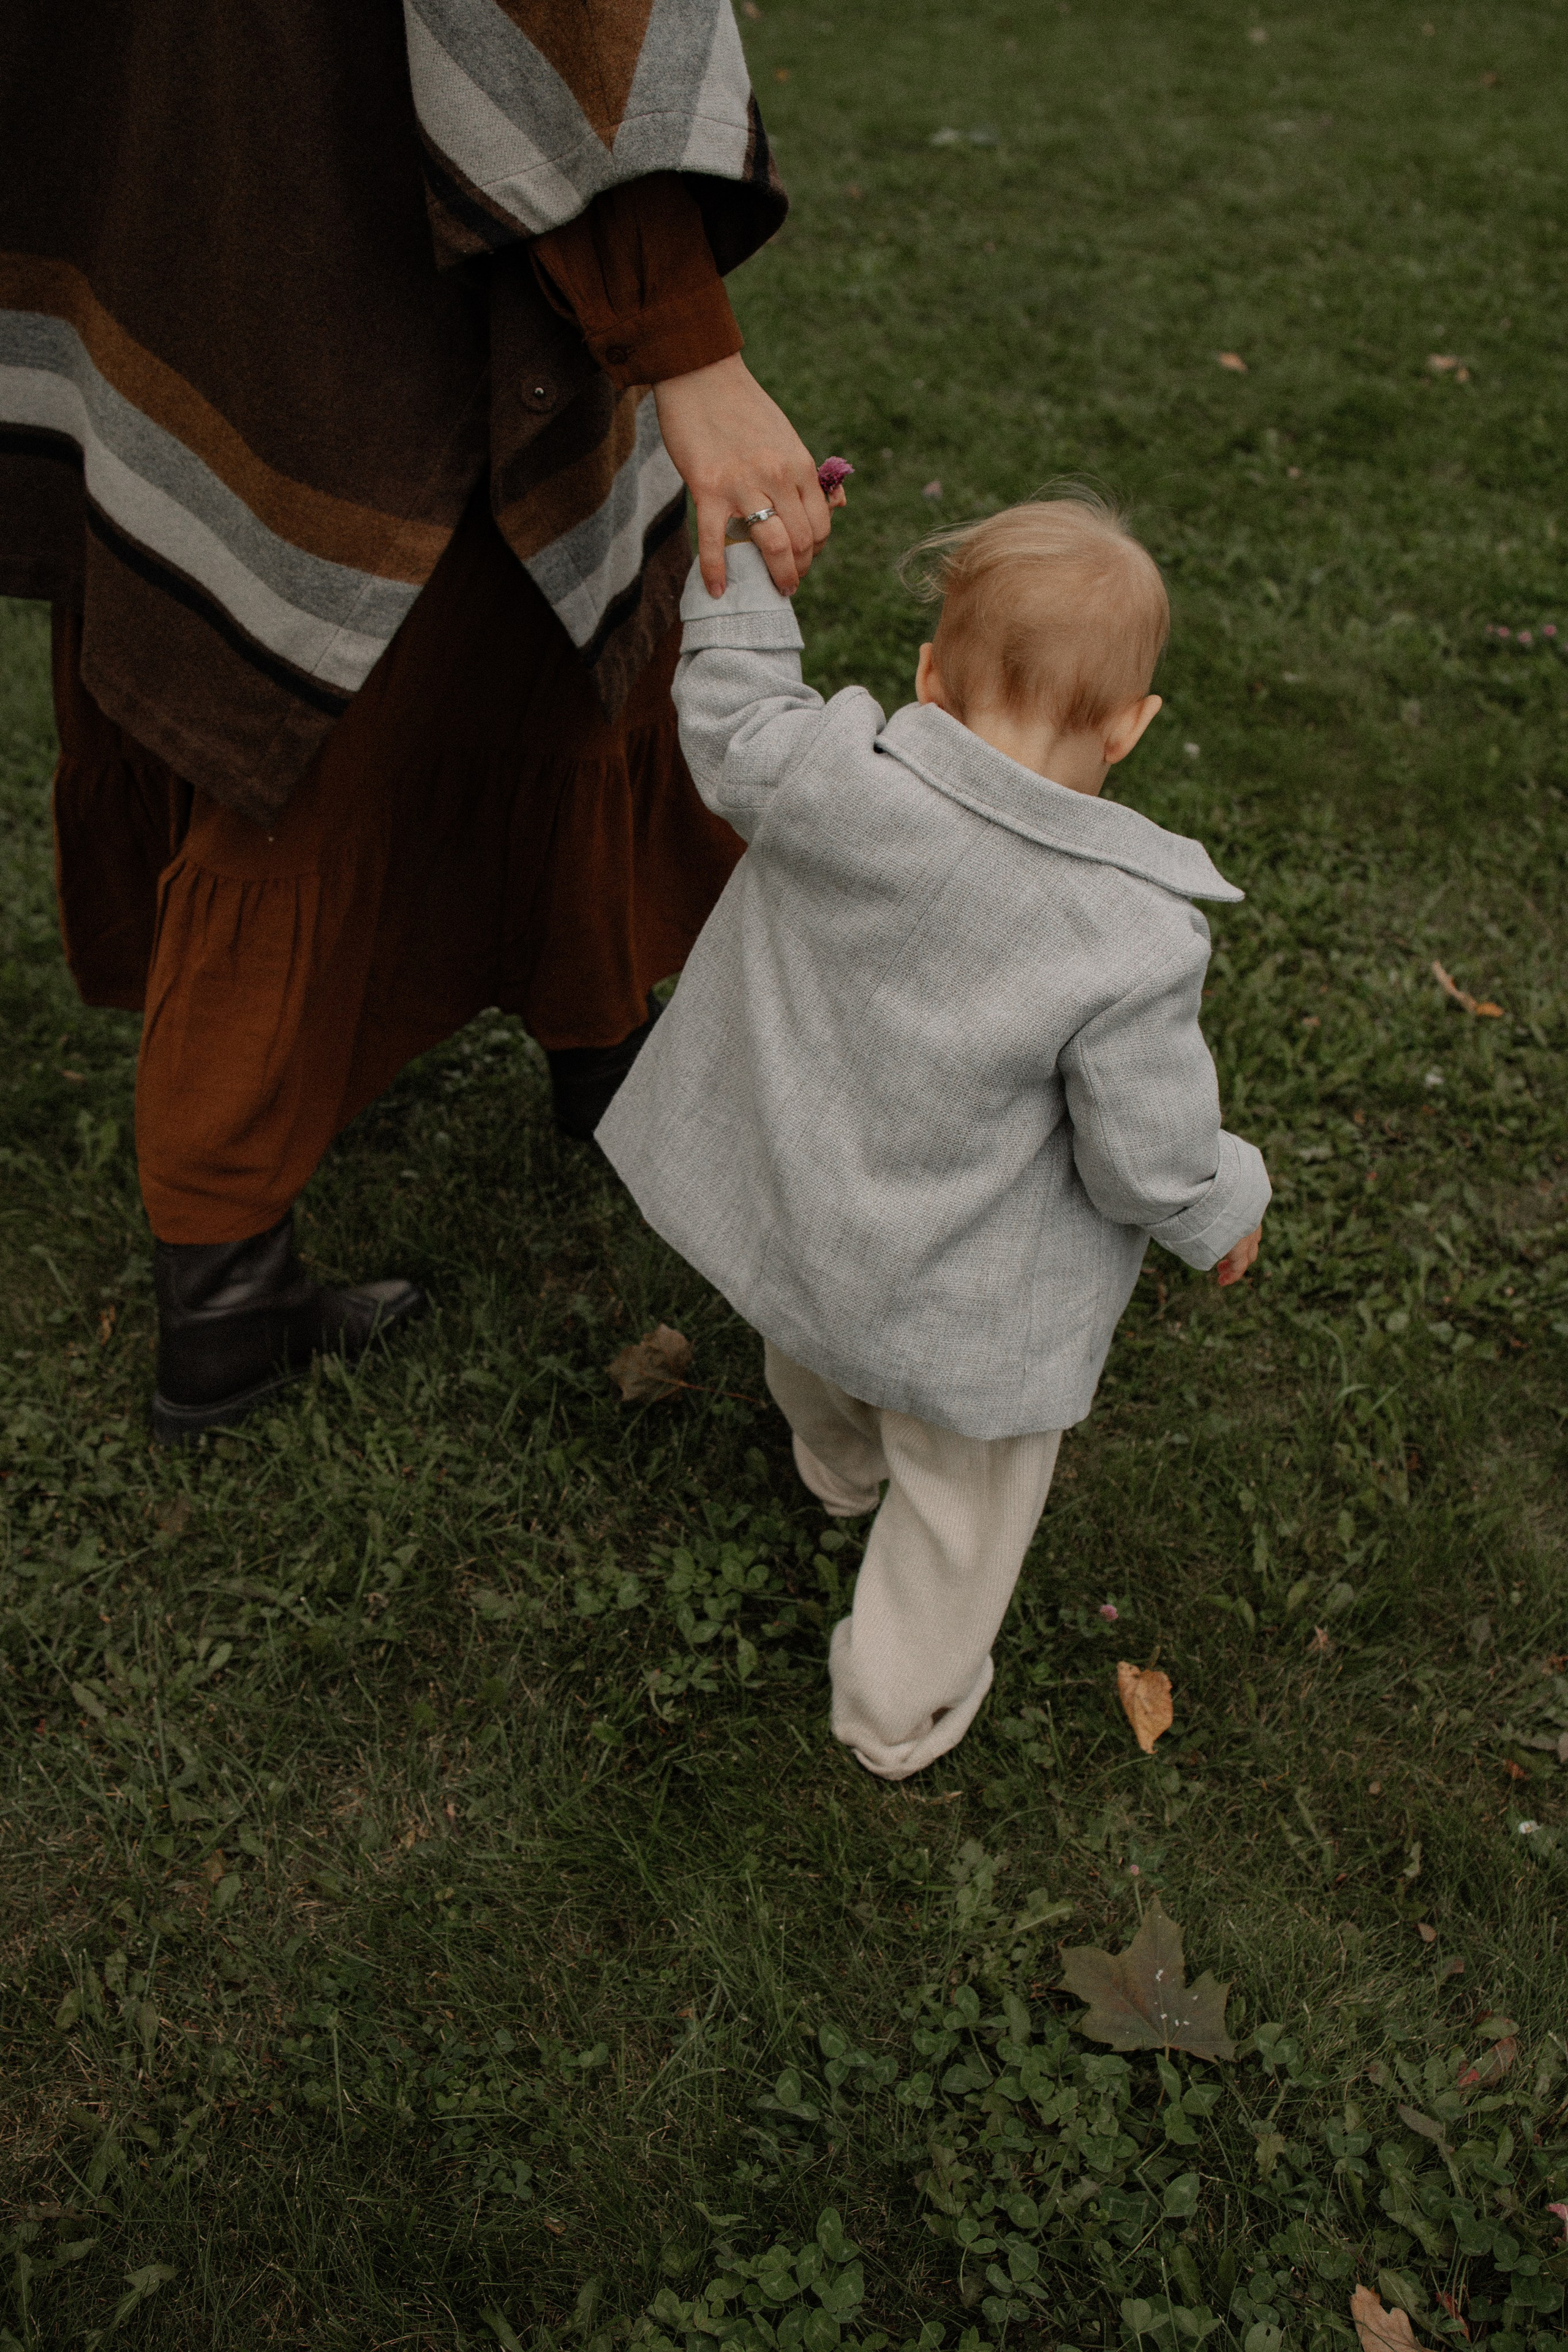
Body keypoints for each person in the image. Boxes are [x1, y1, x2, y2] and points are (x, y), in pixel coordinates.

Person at [0, 1, 834, 1438]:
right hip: (357, 219)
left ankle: (601, 1050)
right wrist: (685, 343)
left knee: (544, 647)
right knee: (318, 726)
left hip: (193, 170)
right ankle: (226, 1299)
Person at [598, 494, 1272, 1780]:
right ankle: (888, 1706)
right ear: (1132, 729)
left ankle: (836, 1470)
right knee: (963, 1505)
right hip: (963, 1291)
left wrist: (739, 562)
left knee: (810, 1340)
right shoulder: (1130, 936)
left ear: (924, 674)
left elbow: (731, 705)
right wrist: (1219, 1205)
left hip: (802, 1213)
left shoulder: (827, 780)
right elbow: (1143, 1152)